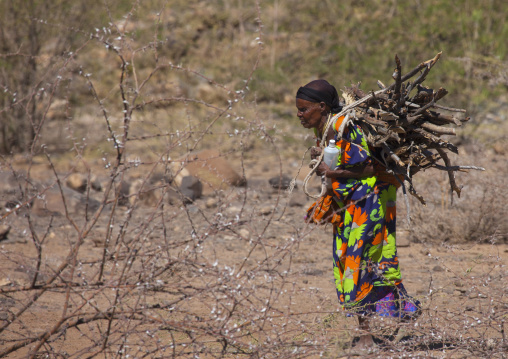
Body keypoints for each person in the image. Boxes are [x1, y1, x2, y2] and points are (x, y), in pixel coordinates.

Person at [296, 79, 420, 348]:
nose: (299, 115)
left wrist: (331, 172)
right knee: (345, 264)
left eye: (304, 109)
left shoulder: (344, 128)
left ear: (321, 106)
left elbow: (368, 169)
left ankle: (366, 336)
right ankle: (404, 310)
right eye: (298, 109)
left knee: (357, 266)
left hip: (366, 207)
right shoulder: (325, 129)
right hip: (346, 209)